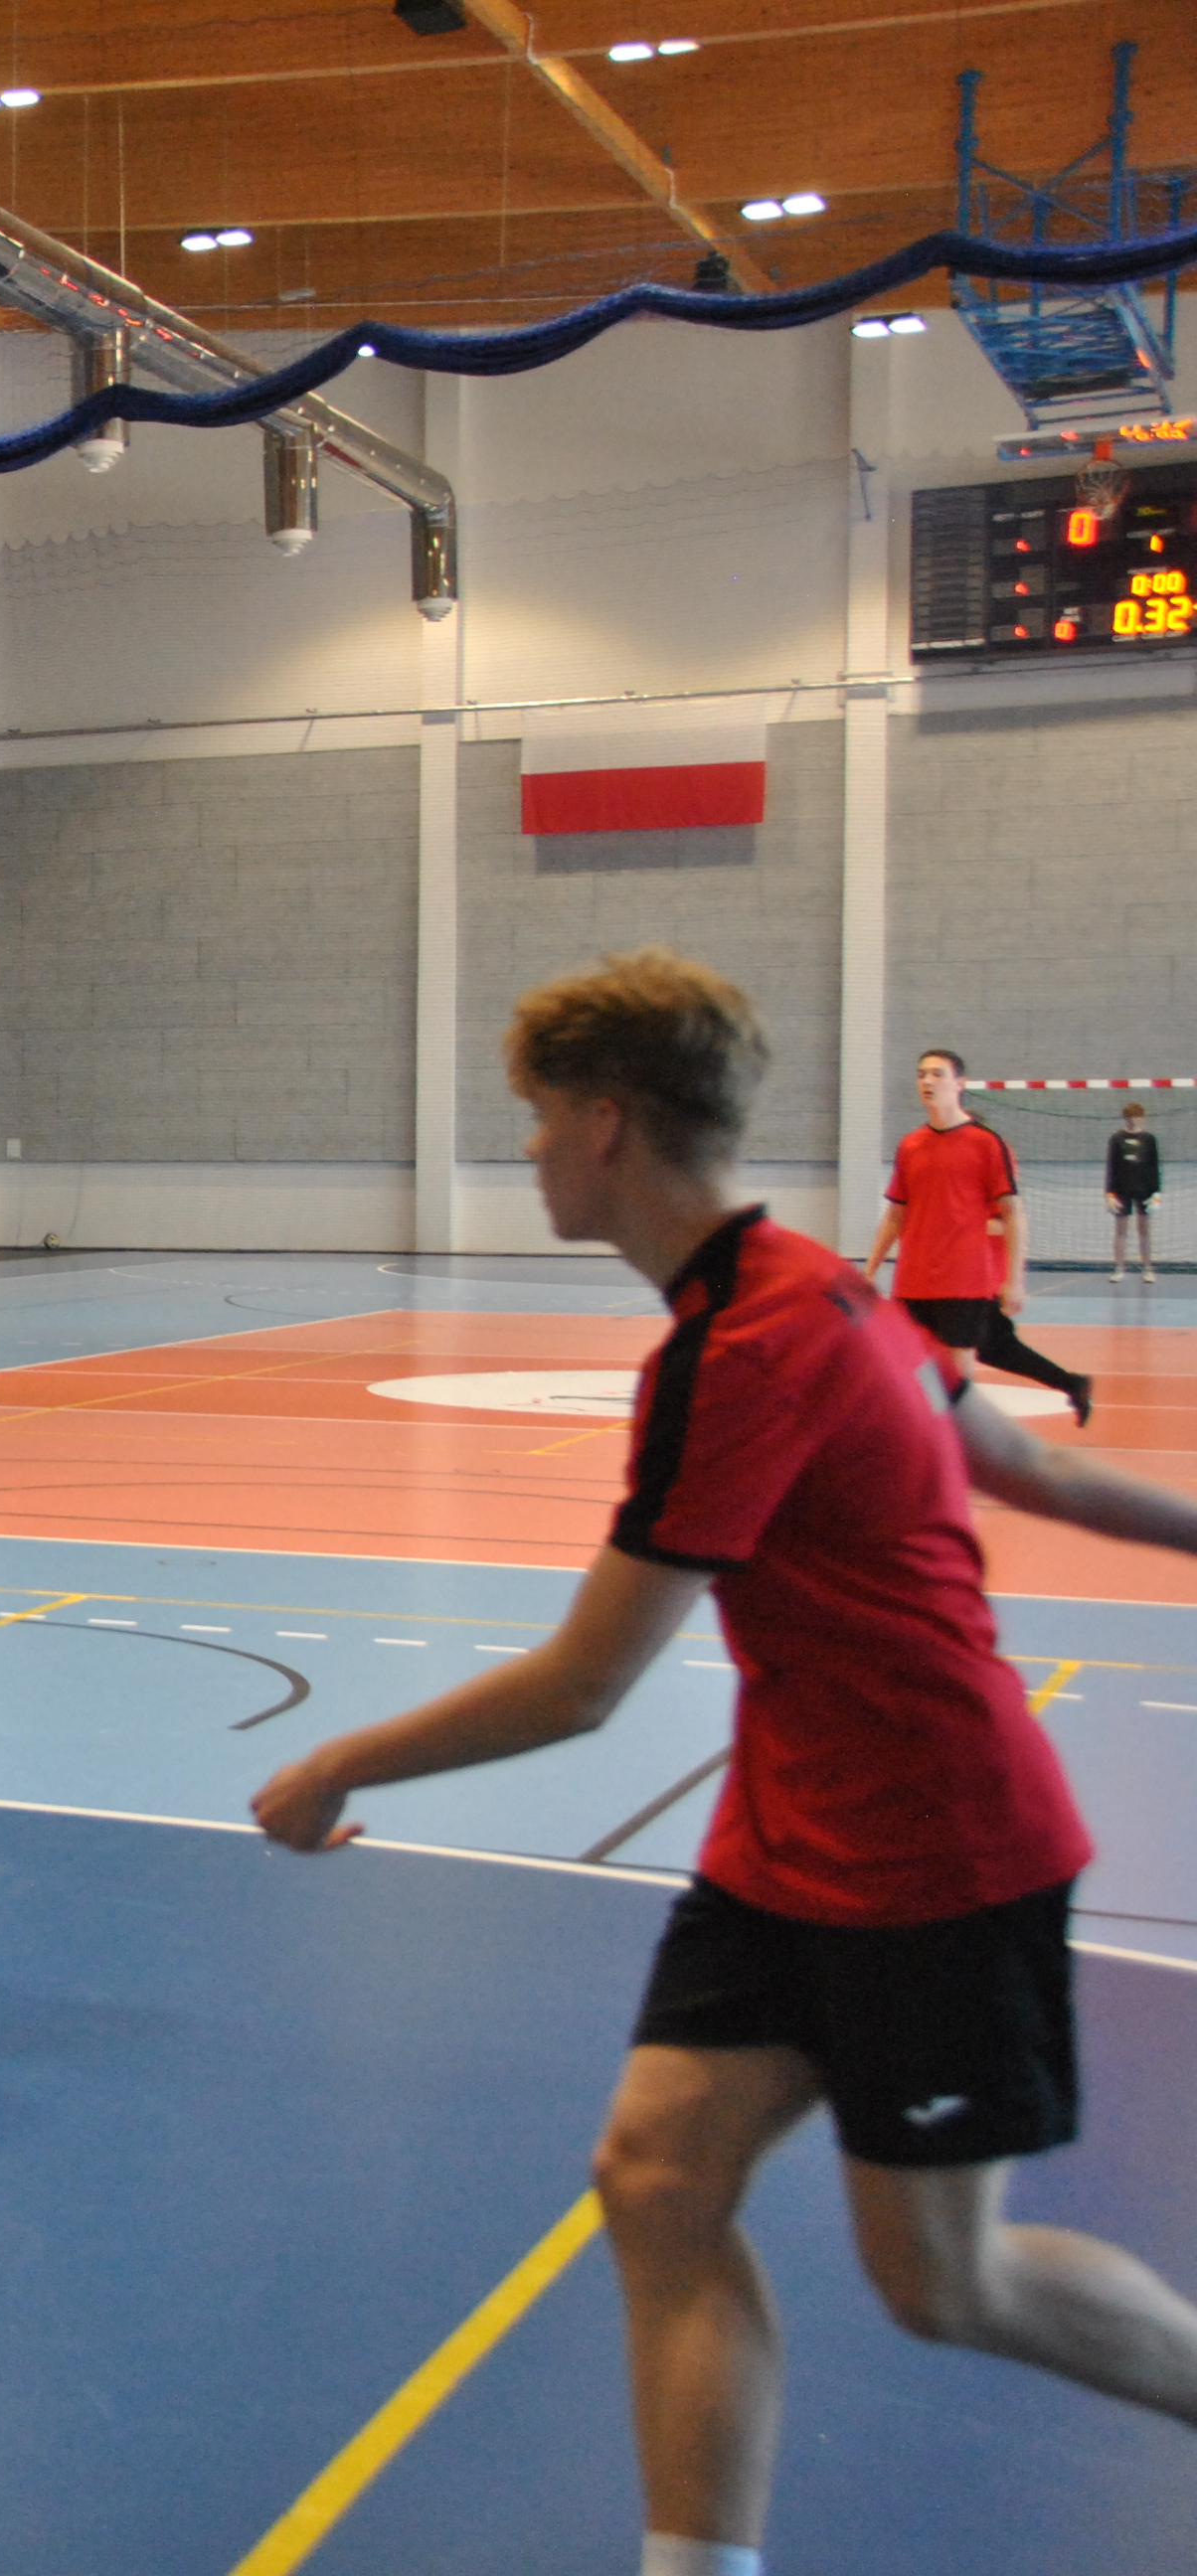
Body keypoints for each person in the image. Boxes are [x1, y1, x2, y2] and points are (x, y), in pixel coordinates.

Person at [249, 950, 1197, 2576]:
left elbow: (584, 1687)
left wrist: (337, 1762)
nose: (530, 1148)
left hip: (935, 1848)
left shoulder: (747, 1347)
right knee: (657, 2178)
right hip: (788, 1837)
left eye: (539, 1116)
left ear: (607, 1124)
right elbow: (1030, 1468)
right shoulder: (812, 1280)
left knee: (946, 2284)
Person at [867, 1048, 1091, 1425]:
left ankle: (958, 1455)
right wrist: (870, 1269)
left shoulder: (987, 1144)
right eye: (921, 1074)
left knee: (957, 1384)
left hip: (963, 1280)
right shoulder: (910, 1146)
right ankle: (1072, 1383)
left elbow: (1012, 1216)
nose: (927, 1081)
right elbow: (894, 1215)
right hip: (913, 1279)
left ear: (960, 1084)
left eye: (937, 1073)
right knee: (920, 1368)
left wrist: (1014, 1281)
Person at [1107, 1099, 1160, 1283]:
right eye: (1130, 1117)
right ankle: (1119, 1268)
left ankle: (1148, 1268)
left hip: (1144, 1190)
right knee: (1120, 1230)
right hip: (1121, 1190)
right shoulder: (1116, 1139)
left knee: (1144, 1230)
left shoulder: (1149, 1139)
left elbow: (1154, 1166)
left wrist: (1156, 1192)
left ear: (1142, 1118)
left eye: (1137, 1117)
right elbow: (1111, 1166)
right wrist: (1109, 1192)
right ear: (1125, 1118)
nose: (1133, 1120)